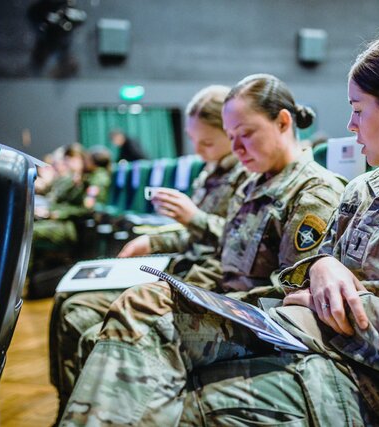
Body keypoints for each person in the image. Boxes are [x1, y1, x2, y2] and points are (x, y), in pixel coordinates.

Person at [62, 31, 379, 425]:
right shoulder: (368, 186)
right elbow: (307, 269)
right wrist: (324, 265)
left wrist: (342, 313)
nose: (349, 124)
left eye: (358, 108)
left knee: (189, 407)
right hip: (308, 339)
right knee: (144, 318)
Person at [56, 76, 345, 424]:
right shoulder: (254, 182)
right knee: (98, 330)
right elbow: (224, 250)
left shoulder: (315, 191)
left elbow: (290, 296)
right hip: (226, 299)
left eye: (246, 134)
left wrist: (203, 297)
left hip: (260, 319)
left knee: (137, 314)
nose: (236, 149)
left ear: (283, 122)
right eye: (231, 137)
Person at [49, 85, 250, 422]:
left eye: (208, 142)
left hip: (205, 279)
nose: (199, 152)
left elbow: (238, 242)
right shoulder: (210, 171)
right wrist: (154, 242)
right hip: (184, 267)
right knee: (68, 300)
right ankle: (67, 407)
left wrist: (192, 218)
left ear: (230, 133)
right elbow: (191, 234)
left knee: (80, 317)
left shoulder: (246, 173)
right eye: (194, 141)